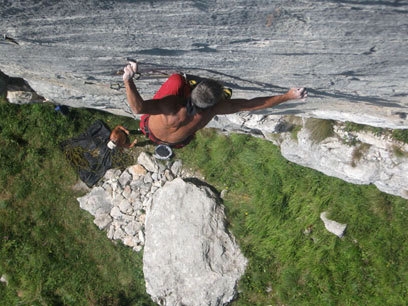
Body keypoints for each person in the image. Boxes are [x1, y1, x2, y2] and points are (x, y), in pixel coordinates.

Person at [123, 61, 307, 148]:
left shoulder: (171, 106)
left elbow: (138, 108)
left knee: (177, 80)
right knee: (178, 80)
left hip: (153, 130)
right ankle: (198, 87)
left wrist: (128, 79)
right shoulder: (213, 110)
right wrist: (289, 95)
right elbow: (251, 104)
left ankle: (186, 84)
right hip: (176, 141)